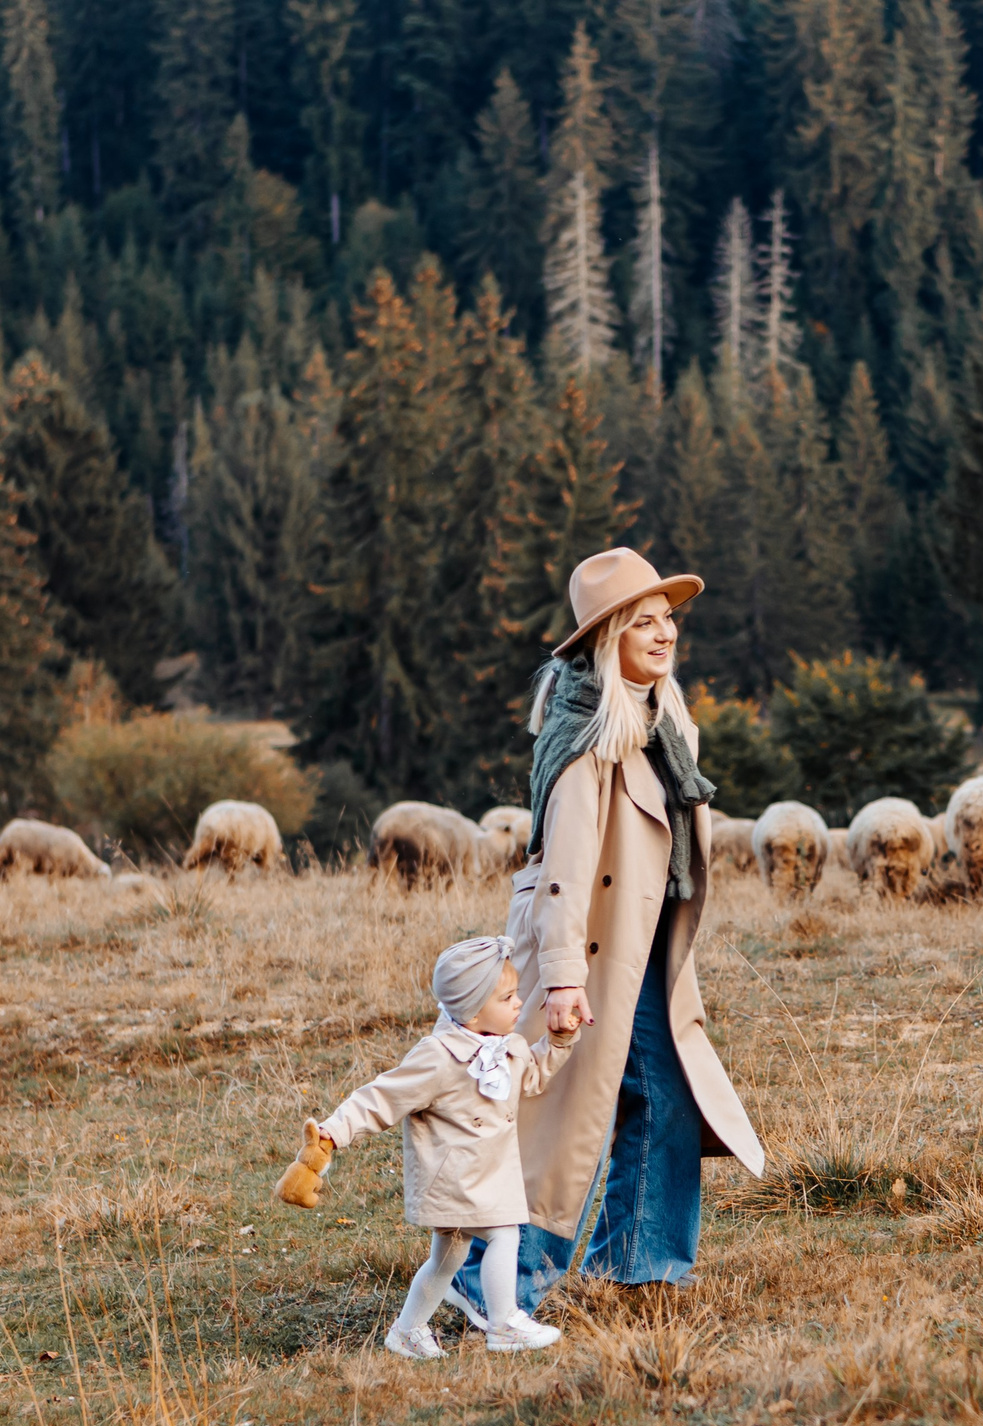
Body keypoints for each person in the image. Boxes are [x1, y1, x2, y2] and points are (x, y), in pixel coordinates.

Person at [456, 548, 765, 1326]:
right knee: (557, 1121)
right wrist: (563, 977)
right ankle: (493, 1285)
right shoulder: (588, 731)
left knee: (664, 1097)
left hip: (643, 953)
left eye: (668, 619)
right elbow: (562, 869)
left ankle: (640, 1266)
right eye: (644, 621)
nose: (664, 635)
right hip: (589, 954)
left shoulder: (659, 720)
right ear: (609, 635)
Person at [280, 936, 577, 1359]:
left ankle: (407, 1330)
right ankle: (504, 1322)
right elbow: (381, 1097)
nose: (519, 1003)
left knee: (447, 1259)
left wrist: (559, 1041)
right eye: (508, 997)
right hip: (456, 1178)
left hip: (487, 1173)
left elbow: (533, 1077)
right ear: (474, 1010)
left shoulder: (506, 1048)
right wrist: (331, 1134)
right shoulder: (438, 1057)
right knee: (505, 1232)